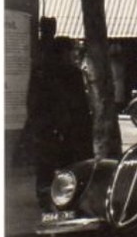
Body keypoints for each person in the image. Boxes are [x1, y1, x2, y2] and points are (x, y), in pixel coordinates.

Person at [23, 29, 92, 211]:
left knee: (49, 167)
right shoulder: (65, 74)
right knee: (59, 166)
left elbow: (32, 102)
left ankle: (50, 197)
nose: (73, 55)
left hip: (56, 130)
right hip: (59, 129)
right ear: (62, 53)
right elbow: (79, 105)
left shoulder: (42, 72)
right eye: (71, 52)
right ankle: (56, 198)